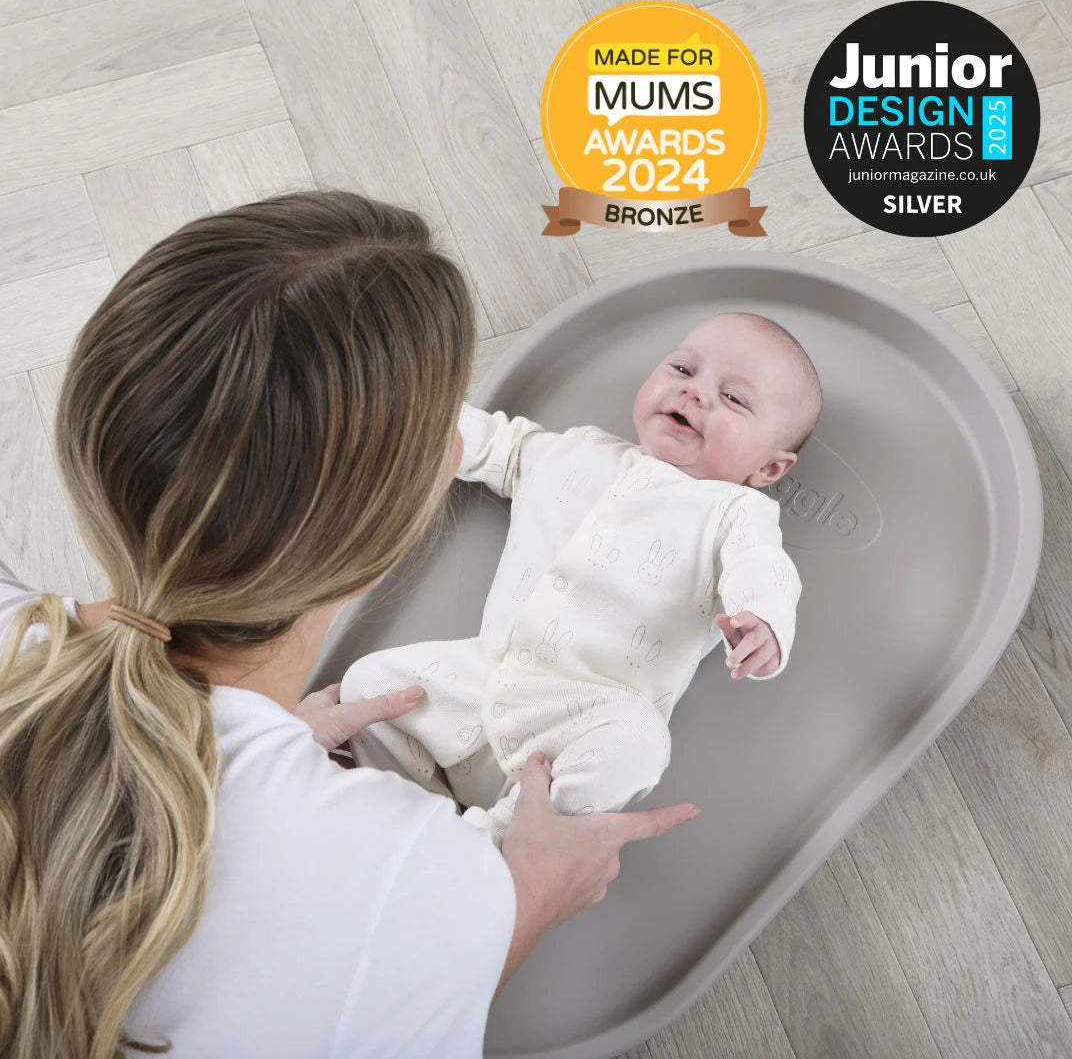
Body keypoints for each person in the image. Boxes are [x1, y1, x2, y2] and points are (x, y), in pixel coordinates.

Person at [0, 190, 700, 1059]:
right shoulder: (406, 890)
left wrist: (245, 755)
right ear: (382, 543)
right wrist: (527, 900)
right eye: (446, 426)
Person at [341, 312, 821, 846]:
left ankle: (492, 845)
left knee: (640, 742)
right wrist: (411, 410)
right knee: (367, 685)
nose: (695, 392)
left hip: (580, 720)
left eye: (732, 398)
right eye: (682, 369)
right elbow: (500, 446)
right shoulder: (580, 450)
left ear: (770, 469)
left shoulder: (733, 511)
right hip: (480, 678)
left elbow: (762, 564)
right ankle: (409, 821)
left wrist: (764, 618)